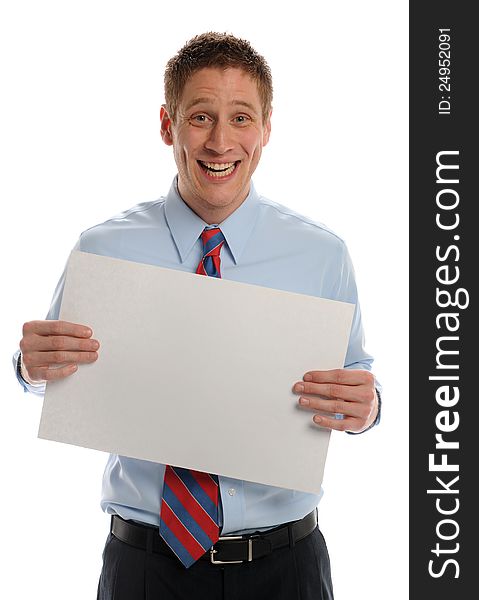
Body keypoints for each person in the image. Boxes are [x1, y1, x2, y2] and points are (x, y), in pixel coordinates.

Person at [14, 32, 380, 599]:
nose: (220, 142)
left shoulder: (322, 256)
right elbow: (57, 377)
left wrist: (367, 407)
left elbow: (358, 382)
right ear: (168, 125)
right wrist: (27, 368)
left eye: (241, 118)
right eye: (201, 117)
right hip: (145, 567)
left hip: (286, 566)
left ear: (266, 129)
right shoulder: (104, 250)